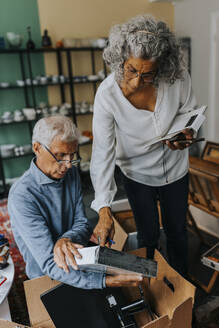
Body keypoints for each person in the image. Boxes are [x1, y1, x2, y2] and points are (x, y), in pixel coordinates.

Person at [90, 15, 198, 277]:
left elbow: (190, 113)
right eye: (132, 70)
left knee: (177, 231)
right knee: (148, 235)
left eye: (148, 74)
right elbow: (103, 152)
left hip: (175, 170)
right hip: (136, 174)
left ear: (161, 67)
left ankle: (182, 285)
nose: (138, 81)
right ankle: (151, 282)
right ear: (120, 60)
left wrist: (186, 134)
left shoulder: (178, 78)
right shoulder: (107, 94)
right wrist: (104, 208)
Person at [8, 116, 142, 289]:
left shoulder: (69, 174)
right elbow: (49, 263)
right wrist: (105, 281)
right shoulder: (22, 196)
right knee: (112, 296)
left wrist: (65, 239)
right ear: (37, 148)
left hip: (81, 259)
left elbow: (82, 224)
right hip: (48, 277)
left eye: (72, 155)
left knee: (141, 269)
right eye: (60, 155)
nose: (69, 164)